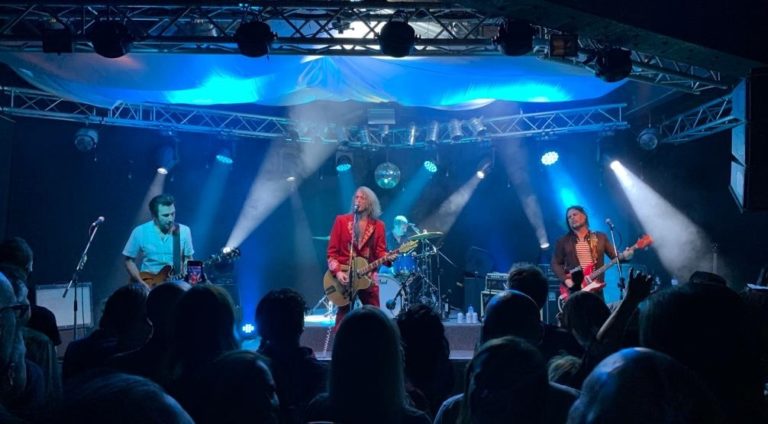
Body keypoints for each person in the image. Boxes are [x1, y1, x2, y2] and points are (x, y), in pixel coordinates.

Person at [326, 186, 393, 326]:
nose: (358, 200)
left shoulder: (379, 226)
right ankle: (341, 339)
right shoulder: (341, 221)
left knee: (375, 316)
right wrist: (338, 272)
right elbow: (332, 253)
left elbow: (380, 251)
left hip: (368, 275)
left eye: (363, 198)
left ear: (370, 203)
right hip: (345, 276)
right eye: (356, 197)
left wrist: (388, 257)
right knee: (343, 318)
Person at [551, 205, 629, 302]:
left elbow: (616, 257)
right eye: (569, 217)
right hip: (575, 291)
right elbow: (555, 263)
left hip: (596, 290)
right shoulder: (563, 241)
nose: (572, 218)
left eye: (575, 214)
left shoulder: (600, 237)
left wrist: (627, 256)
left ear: (584, 216)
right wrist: (567, 280)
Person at [123, 194, 194, 287]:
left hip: (175, 285)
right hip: (148, 284)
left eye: (173, 214)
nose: (170, 219)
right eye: (165, 215)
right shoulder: (140, 231)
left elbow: (189, 258)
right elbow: (129, 261)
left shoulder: (184, 231)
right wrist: (141, 282)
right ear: (154, 216)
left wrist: (191, 274)